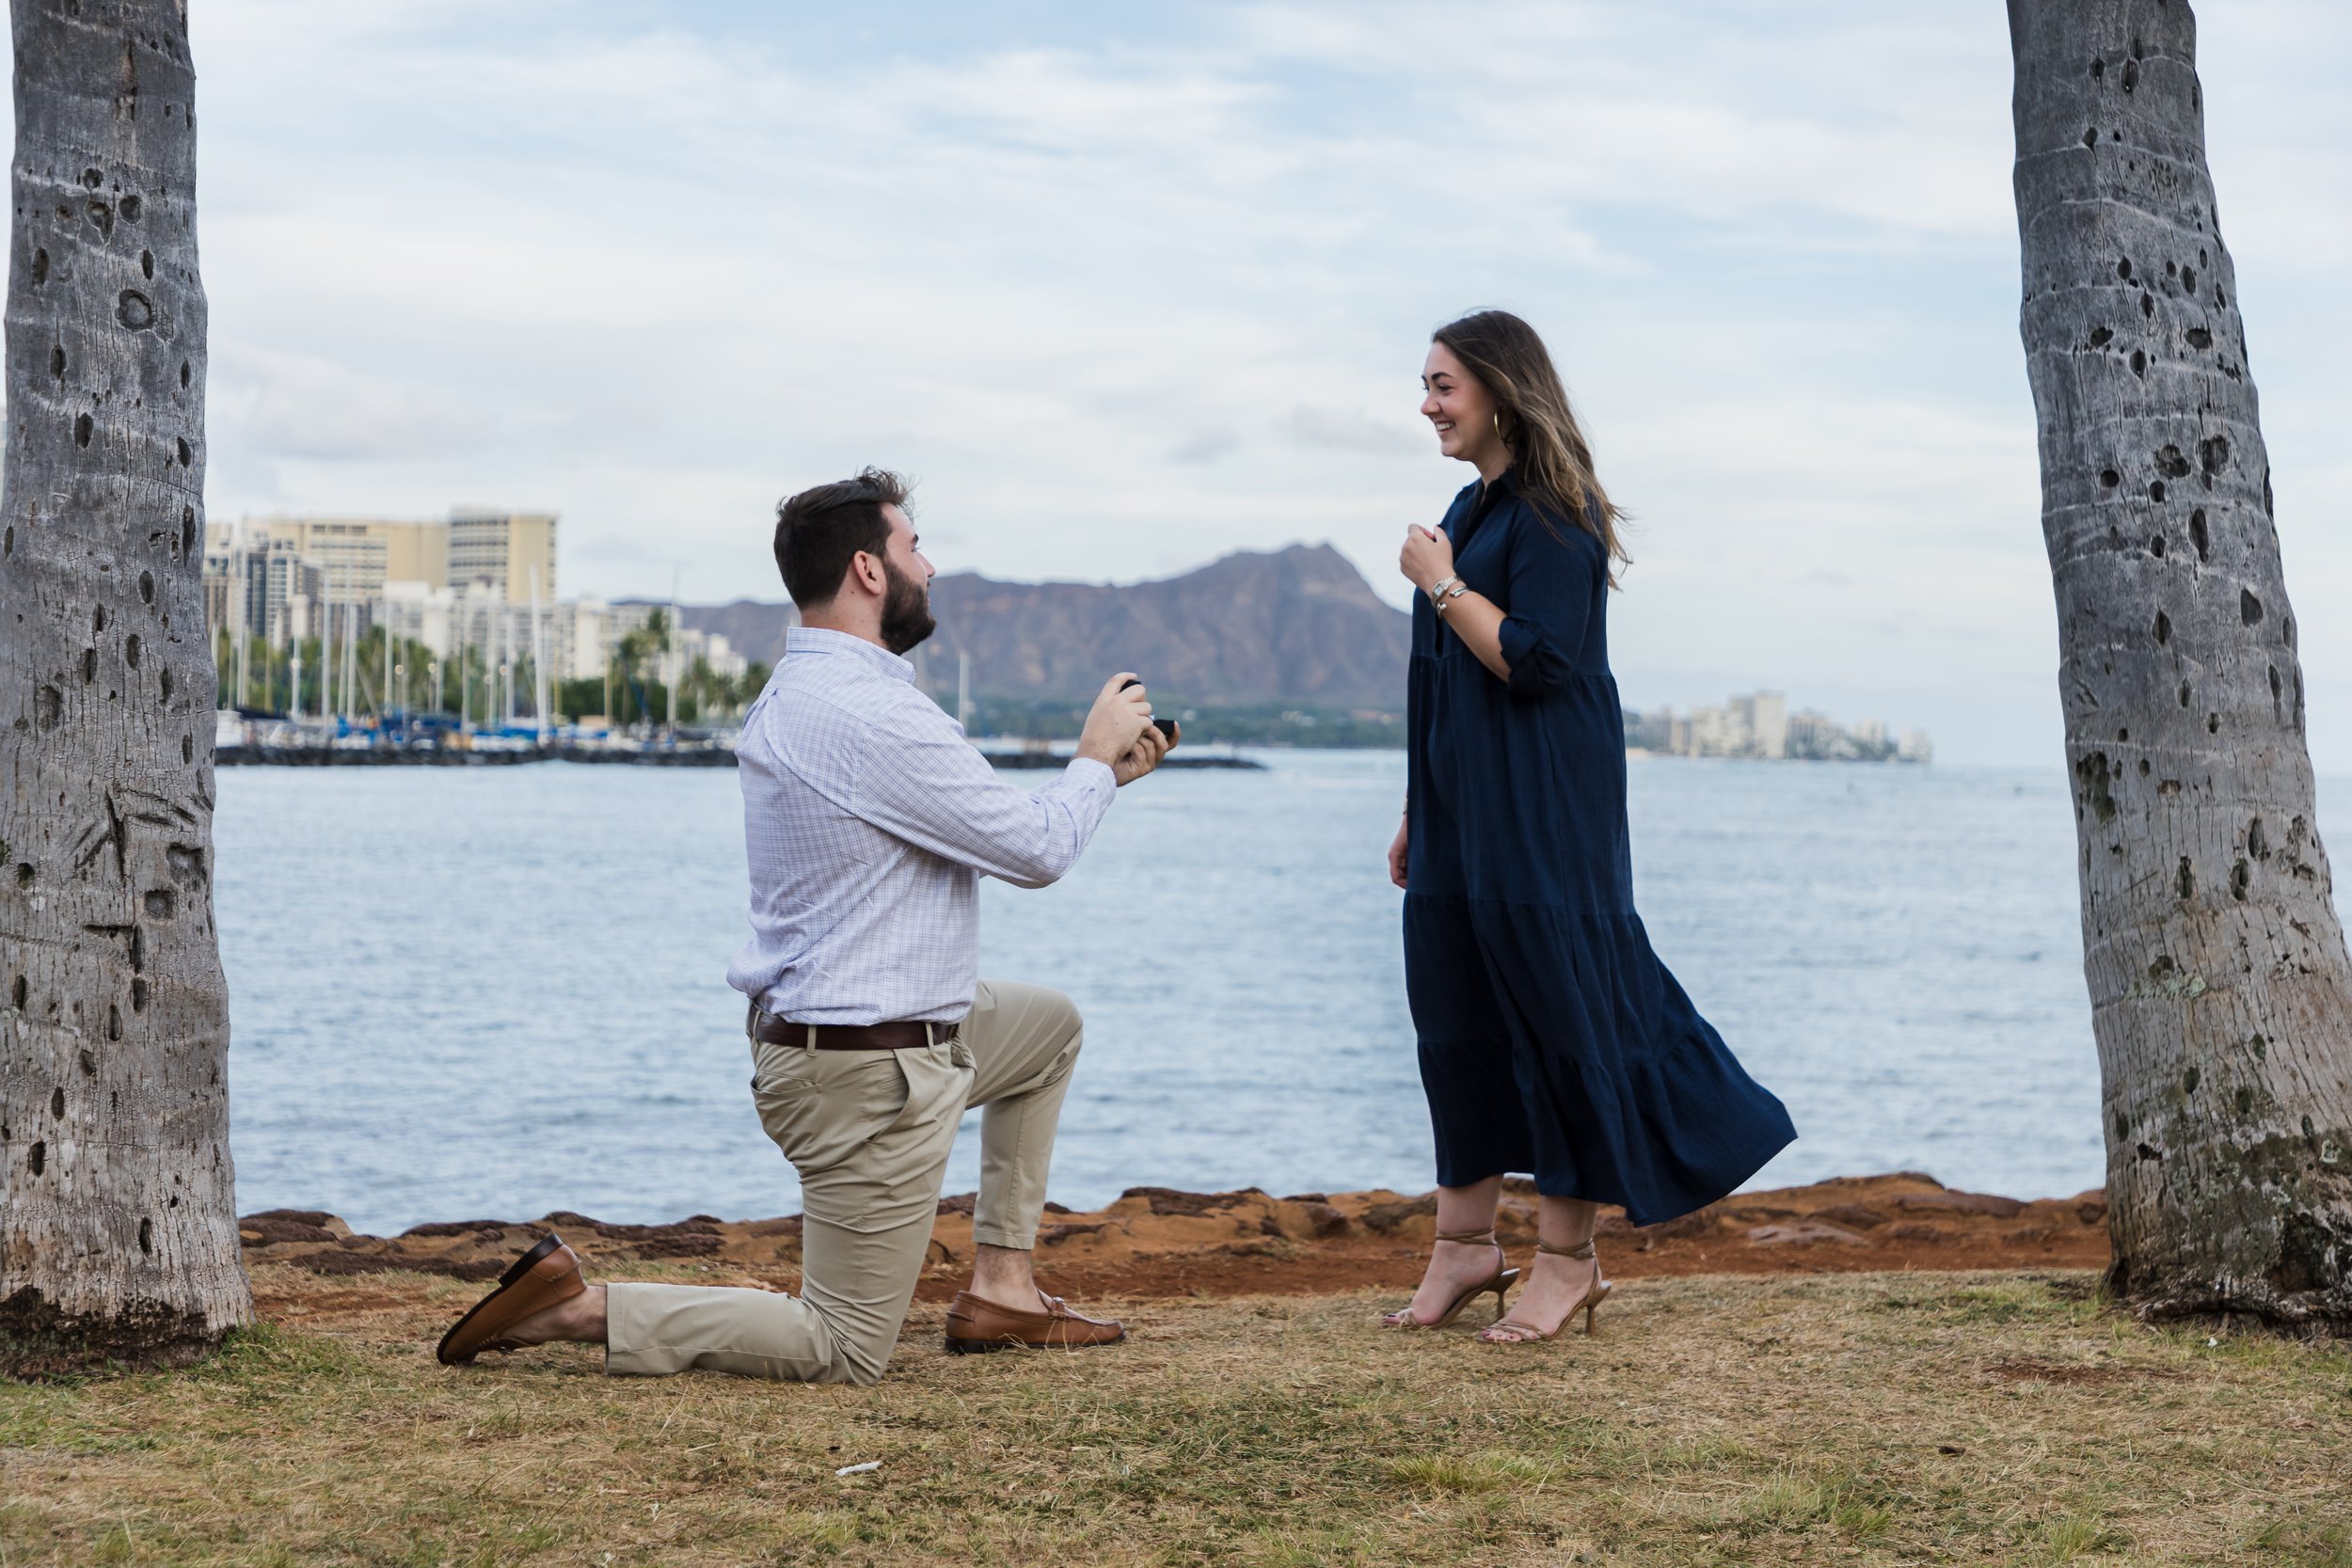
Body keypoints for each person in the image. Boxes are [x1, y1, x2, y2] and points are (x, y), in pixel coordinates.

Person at [435, 467, 1174, 1383]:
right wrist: (1093, 757)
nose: (930, 566)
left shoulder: (805, 692)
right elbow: (1035, 851)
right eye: (914, 547)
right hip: (870, 1072)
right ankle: (579, 1307)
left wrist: (1100, 780)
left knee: (1048, 1026)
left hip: (852, 1039)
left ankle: (1003, 1288)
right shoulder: (870, 714)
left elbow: (986, 827)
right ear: (868, 569)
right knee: (840, 1348)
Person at [1385, 310, 1795, 1344]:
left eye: (1442, 385)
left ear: (1498, 388)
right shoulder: (1467, 506)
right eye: (1426, 386)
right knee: (1456, 1019)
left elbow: (1538, 661)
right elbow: (1445, 685)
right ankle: (1463, 1245)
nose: (1427, 405)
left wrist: (1440, 585)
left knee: (1562, 1020)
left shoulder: (1556, 511)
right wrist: (1415, 810)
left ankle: (1568, 1260)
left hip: (1542, 815)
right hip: (1459, 818)